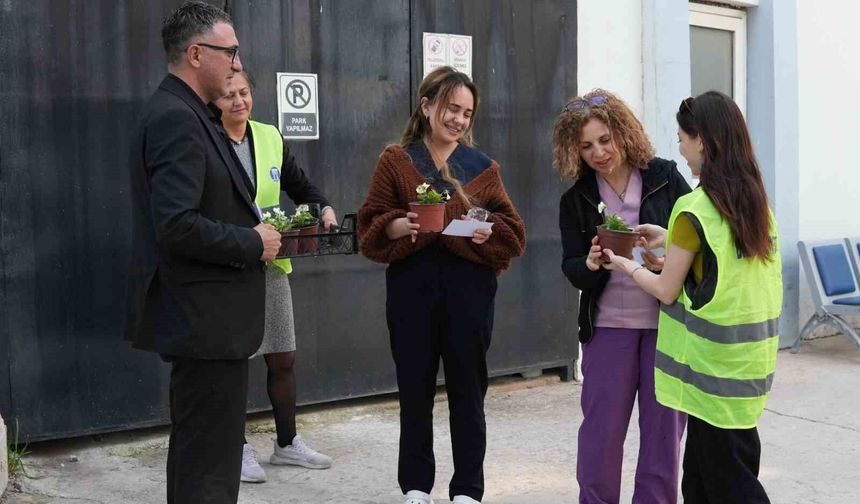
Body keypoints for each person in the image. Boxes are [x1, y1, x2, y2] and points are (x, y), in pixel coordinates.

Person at [124, 2, 281, 503]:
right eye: (230, 52)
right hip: (206, 325)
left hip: (211, 325)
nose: (238, 63)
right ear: (196, 54)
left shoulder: (188, 113)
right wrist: (253, 242)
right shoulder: (177, 118)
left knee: (202, 461)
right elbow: (176, 225)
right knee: (207, 471)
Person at [600, 91, 783, 503]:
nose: (680, 149)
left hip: (709, 376)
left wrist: (626, 265)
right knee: (699, 483)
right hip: (747, 368)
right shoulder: (755, 205)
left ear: (702, 140)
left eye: (682, 139)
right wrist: (670, 239)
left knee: (733, 488)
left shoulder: (693, 207)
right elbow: (724, 261)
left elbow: (666, 290)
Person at [358, 66, 526, 504]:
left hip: (469, 290)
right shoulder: (396, 160)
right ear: (426, 105)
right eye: (452, 108)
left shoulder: (483, 168)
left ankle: (467, 489)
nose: (459, 119)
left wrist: (487, 230)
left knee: (468, 391)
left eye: (467, 113)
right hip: (412, 289)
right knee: (414, 389)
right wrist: (398, 225)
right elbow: (370, 225)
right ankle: (416, 486)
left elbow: (513, 231)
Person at [553, 89, 691, 504]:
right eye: (586, 146)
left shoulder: (665, 177)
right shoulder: (576, 198)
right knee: (601, 436)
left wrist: (666, 255)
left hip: (667, 327)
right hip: (608, 328)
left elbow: (697, 241)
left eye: (605, 139)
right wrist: (590, 264)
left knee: (663, 438)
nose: (598, 152)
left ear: (623, 132)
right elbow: (571, 266)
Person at [214, 70, 337, 483]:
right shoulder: (207, 140)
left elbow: (301, 187)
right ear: (214, 101)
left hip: (271, 265)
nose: (238, 101)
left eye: (244, 92)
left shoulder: (269, 136)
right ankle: (234, 448)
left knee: (282, 357)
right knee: (234, 365)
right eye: (228, 95)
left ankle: (287, 443)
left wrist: (323, 208)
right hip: (229, 269)